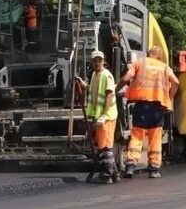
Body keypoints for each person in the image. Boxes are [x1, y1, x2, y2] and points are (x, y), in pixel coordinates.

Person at [120, 45, 180, 179]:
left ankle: (130, 166)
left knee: (137, 136)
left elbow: (126, 78)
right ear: (159, 56)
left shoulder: (140, 62)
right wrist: (169, 98)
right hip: (157, 108)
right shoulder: (164, 67)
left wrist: (117, 87)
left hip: (141, 106)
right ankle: (153, 169)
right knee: (155, 138)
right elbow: (176, 82)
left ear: (148, 53)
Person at [76, 50, 119, 183]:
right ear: (92, 62)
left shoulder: (107, 76)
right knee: (103, 145)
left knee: (105, 147)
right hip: (100, 115)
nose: (97, 63)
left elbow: (110, 95)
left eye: (99, 60)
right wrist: (84, 84)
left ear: (103, 61)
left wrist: (104, 115)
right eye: (95, 60)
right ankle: (115, 174)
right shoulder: (95, 75)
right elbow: (93, 89)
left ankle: (107, 175)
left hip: (107, 116)